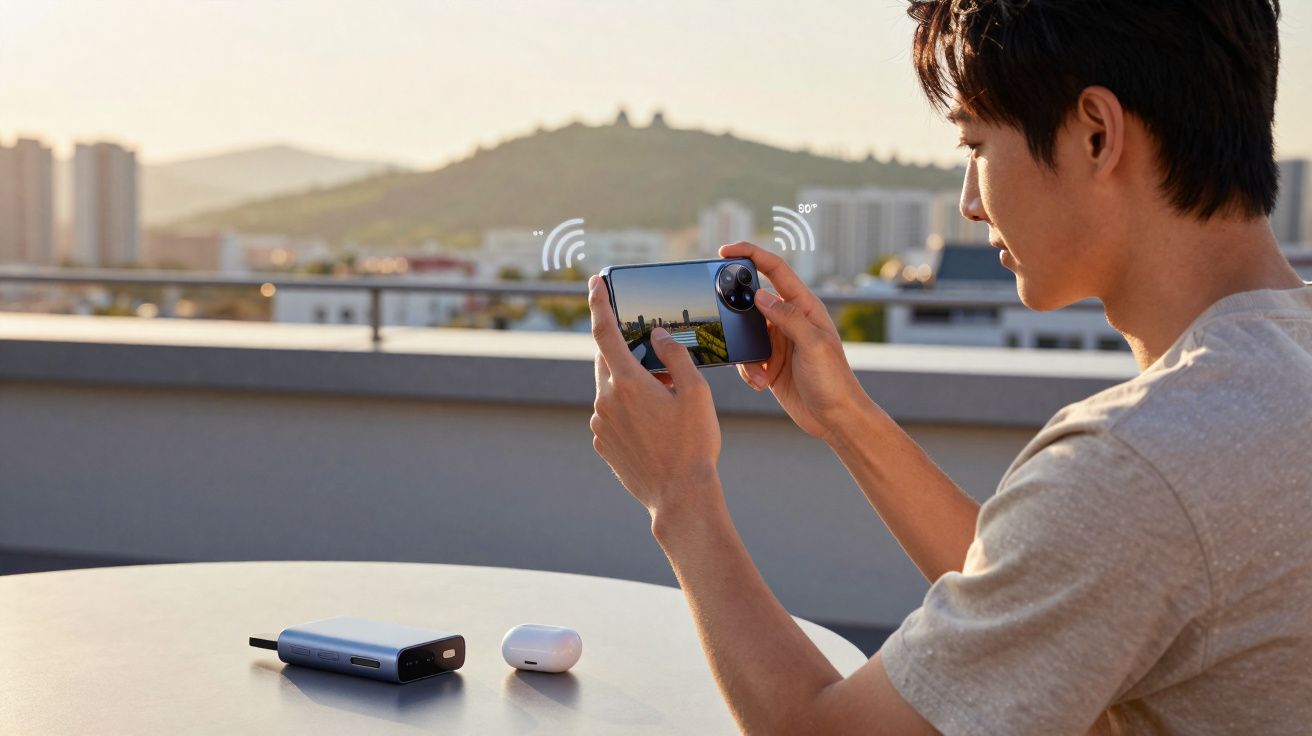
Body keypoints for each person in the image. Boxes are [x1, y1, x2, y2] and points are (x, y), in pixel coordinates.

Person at [586, 0, 1311, 732]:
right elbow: (1056, 581)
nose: (968, 201)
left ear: (1097, 134)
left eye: (975, 146)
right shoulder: (1261, 385)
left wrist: (680, 493)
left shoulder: (1140, 464)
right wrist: (846, 419)